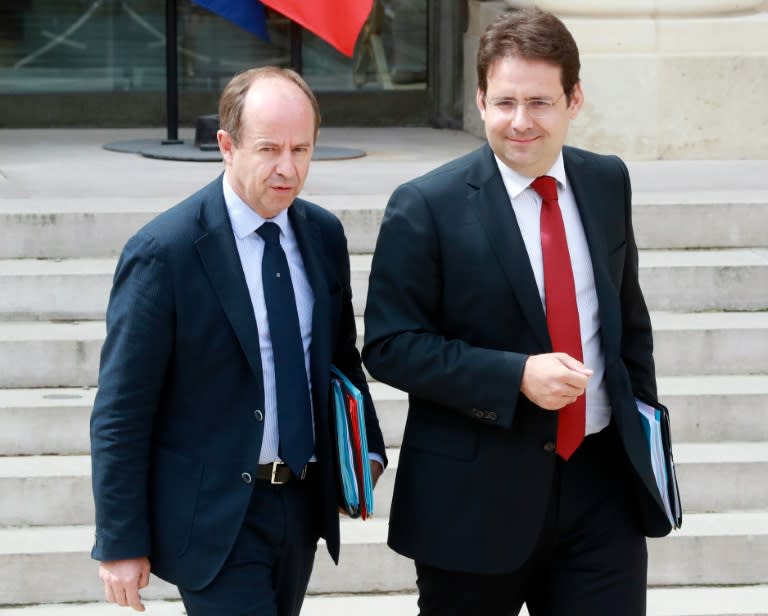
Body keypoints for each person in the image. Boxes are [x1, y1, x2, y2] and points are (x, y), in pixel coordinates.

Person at [363, 7, 671, 616]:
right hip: (474, 504)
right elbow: (390, 344)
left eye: (540, 102)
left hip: (602, 489)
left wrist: (645, 432)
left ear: (574, 99)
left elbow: (627, 326)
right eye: (504, 103)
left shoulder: (607, 181)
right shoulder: (425, 206)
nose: (521, 122)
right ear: (480, 100)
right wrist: (515, 376)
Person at [90, 66, 386, 615]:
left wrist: (362, 448)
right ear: (227, 146)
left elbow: (340, 357)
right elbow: (120, 410)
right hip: (215, 514)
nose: (287, 168)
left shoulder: (322, 235)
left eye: (302, 149)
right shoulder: (166, 252)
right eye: (269, 149)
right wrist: (120, 541)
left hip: (300, 501)